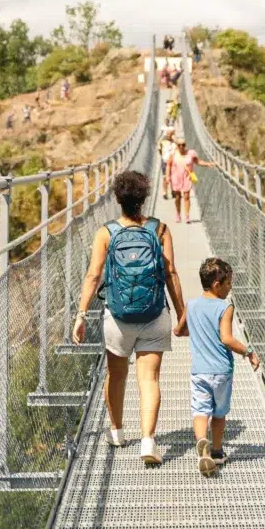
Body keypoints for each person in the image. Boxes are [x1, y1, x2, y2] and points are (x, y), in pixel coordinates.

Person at [72, 171, 187, 465]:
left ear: (117, 199)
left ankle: (117, 432)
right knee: (149, 378)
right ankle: (148, 442)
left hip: (118, 317)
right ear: (145, 197)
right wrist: (181, 315)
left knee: (117, 374)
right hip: (154, 312)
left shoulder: (106, 232)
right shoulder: (160, 230)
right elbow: (171, 272)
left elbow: (93, 275)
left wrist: (81, 314)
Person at [174, 257, 259, 476]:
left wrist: (193, 331)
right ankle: (218, 451)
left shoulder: (191, 305)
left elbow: (178, 330)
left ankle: (202, 443)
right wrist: (248, 351)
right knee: (219, 413)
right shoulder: (225, 307)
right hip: (221, 371)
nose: (231, 288)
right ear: (217, 285)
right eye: (229, 283)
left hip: (199, 371)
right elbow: (226, 339)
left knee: (201, 411)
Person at [167, 136, 212, 224]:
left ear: (185, 145)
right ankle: (178, 214)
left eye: (183, 145)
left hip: (186, 177)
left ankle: (187, 216)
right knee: (177, 197)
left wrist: (207, 164)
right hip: (176, 178)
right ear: (177, 146)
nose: (181, 147)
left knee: (187, 196)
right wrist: (168, 176)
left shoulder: (190, 153)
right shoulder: (173, 154)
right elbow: (169, 165)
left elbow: (197, 161)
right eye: (179, 145)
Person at [159, 127, 176, 200]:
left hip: (174, 162)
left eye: (171, 133)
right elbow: (159, 150)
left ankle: (173, 191)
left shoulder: (175, 142)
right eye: (168, 133)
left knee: (173, 177)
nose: (169, 135)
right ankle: (165, 193)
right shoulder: (163, 141)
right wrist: (164, 157)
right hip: (165, 162)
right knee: (165, 177)